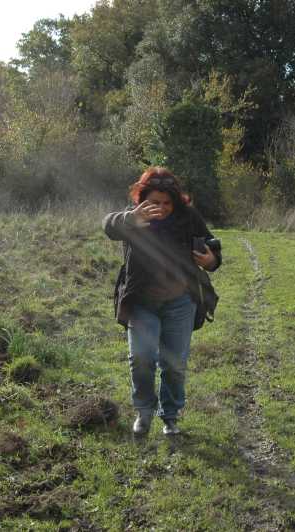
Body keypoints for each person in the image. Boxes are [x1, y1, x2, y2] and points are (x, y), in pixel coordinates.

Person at [103, 167, 222, 436]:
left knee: (174, 363)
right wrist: (131, 218)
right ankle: (144, 412)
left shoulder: (187, 217)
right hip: (141, 302)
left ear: (177, 201)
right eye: (155, 202)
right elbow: (108, 225)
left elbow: (212, 247)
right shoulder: (133, 219)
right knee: (142, 358)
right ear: (142, 199)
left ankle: (170, 416)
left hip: (180, 302)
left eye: (167, 202)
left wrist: (211, 260)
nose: (161, 208)